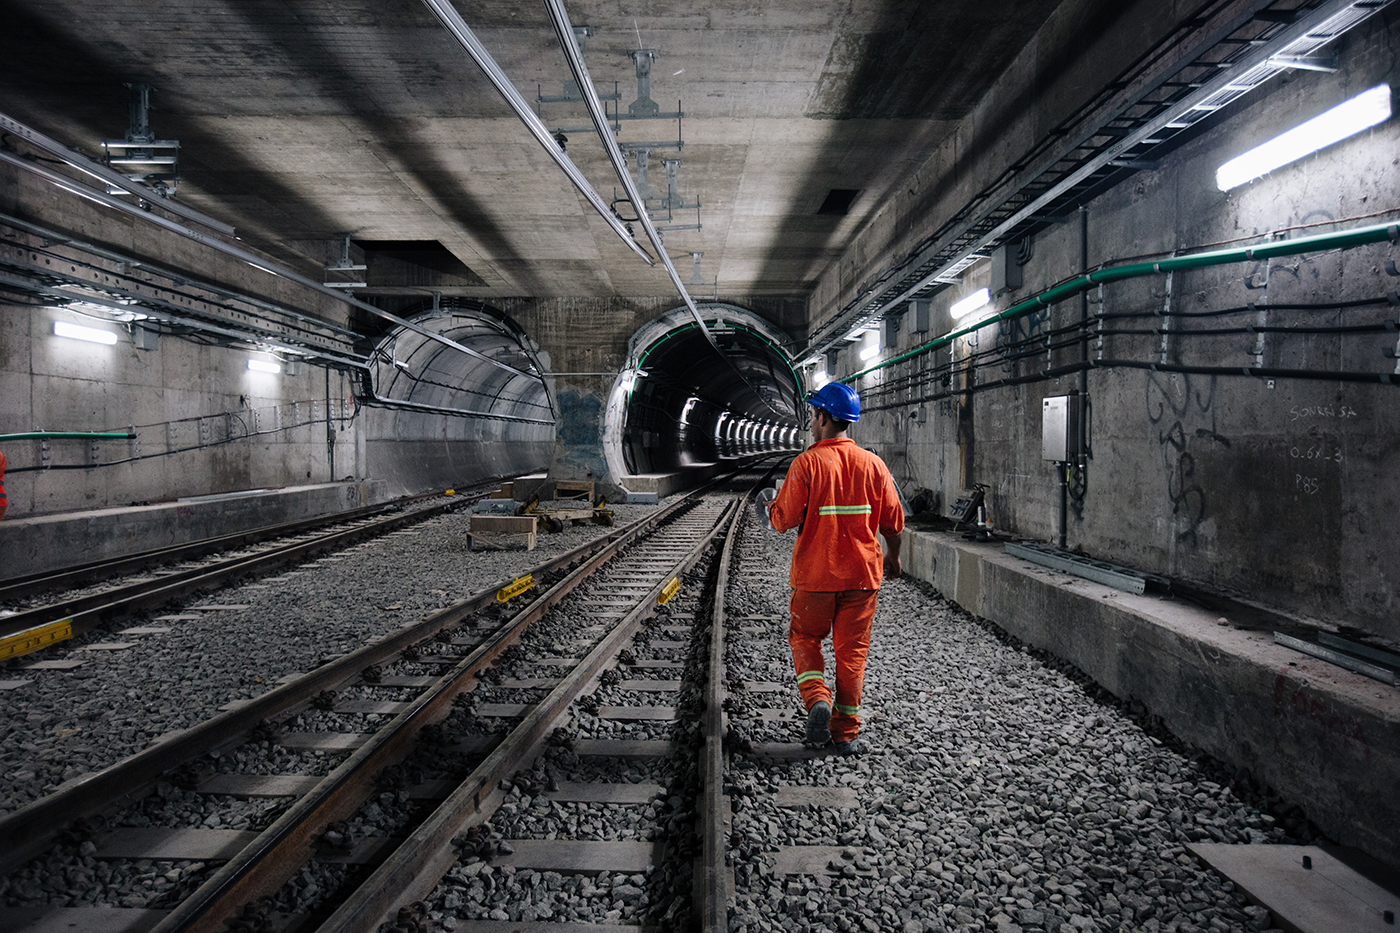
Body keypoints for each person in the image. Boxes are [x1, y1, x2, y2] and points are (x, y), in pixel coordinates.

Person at [759, 382, 903, 755]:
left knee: (805, 638)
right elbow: (894, 523)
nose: (810, 421)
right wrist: (894, 557)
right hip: (862, 579)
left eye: (812, 415)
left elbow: (784, 521)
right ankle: (845, 732)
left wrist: (770, 507)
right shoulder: (874, 465)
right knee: (851, 652)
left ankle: (816, 697)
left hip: (815, 578)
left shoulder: (807, 464)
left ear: (823, 418)